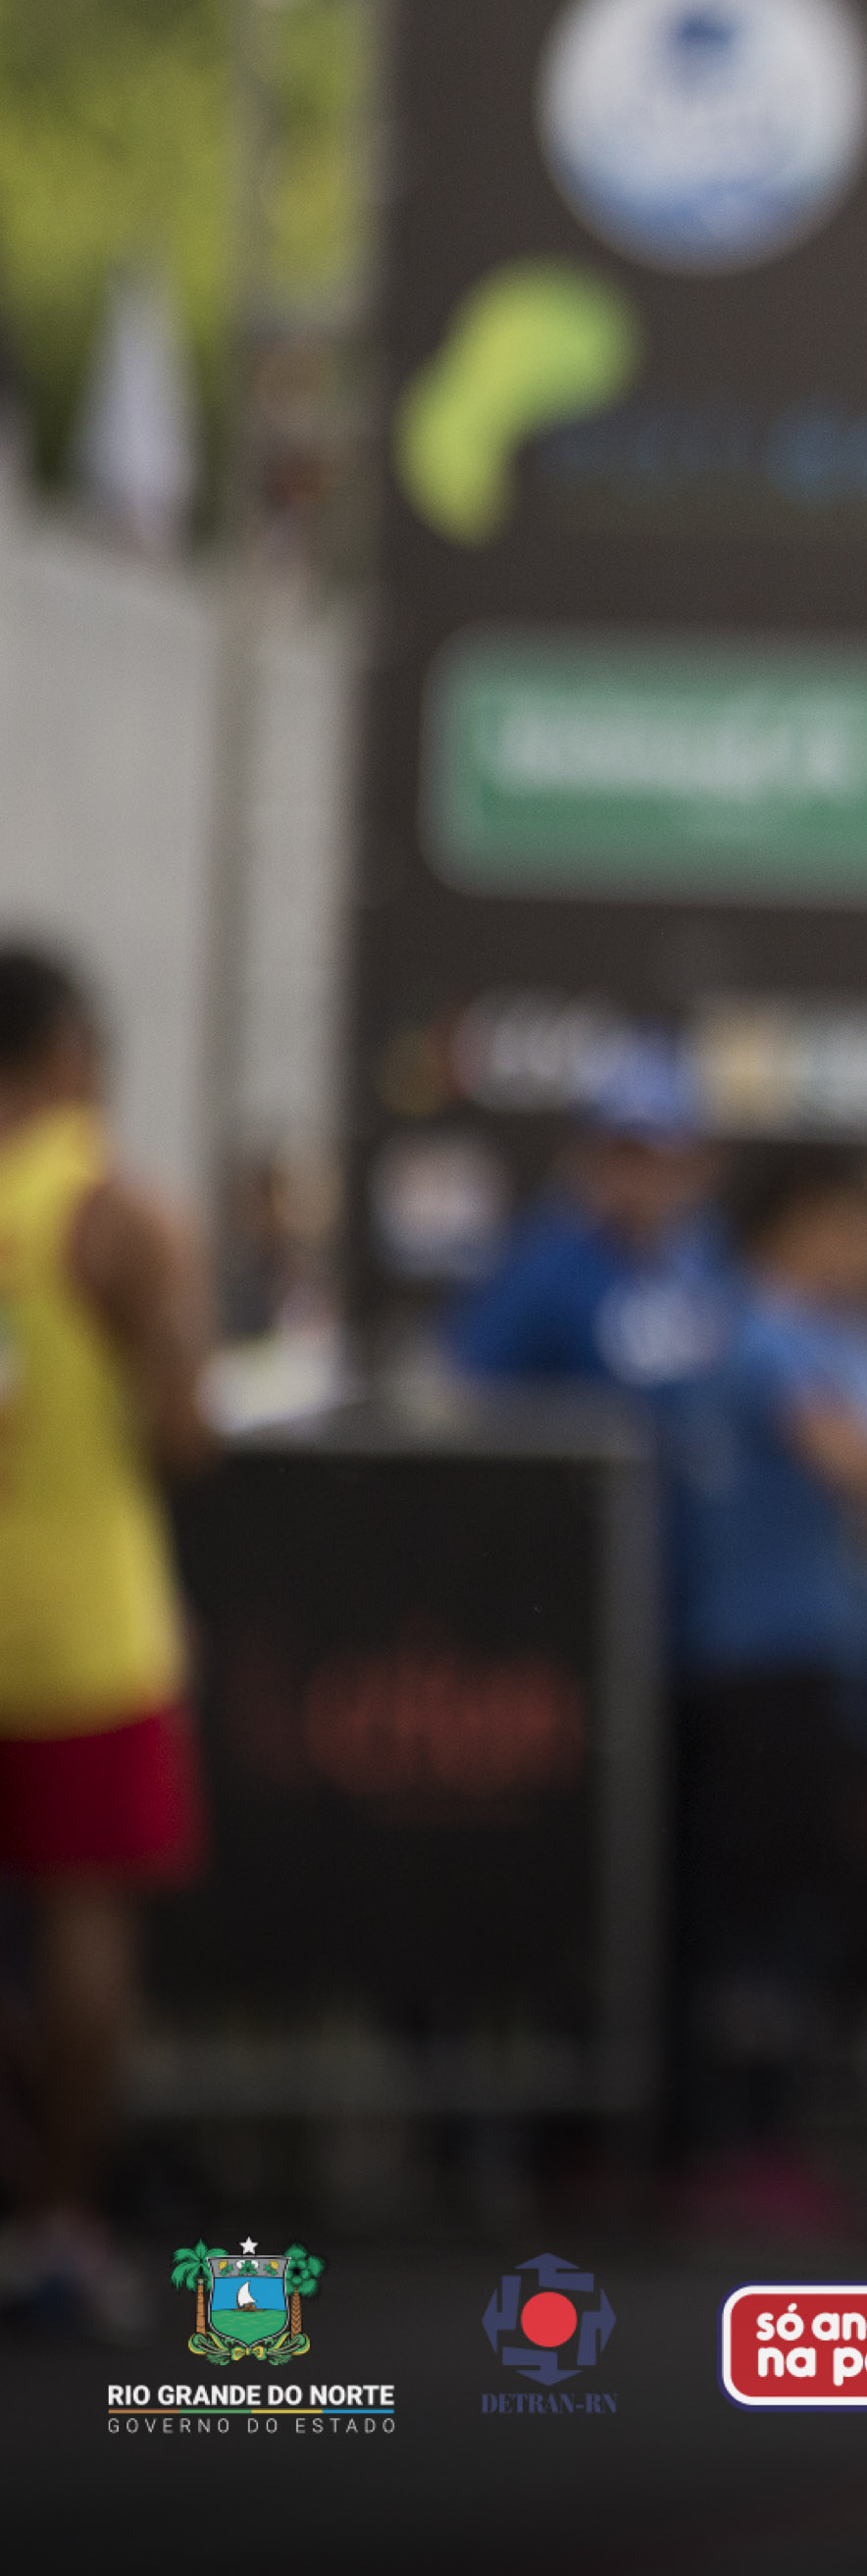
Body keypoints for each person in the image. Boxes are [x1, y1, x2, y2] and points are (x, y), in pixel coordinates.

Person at [656, 1148, 867, 2203]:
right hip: (764, 1670)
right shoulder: (767, 1337)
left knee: (805, 1905)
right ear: (803, 1224)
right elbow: (854, 1462)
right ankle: (737, 2147)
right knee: (764, 1913)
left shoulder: (818, 1338)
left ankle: (766, 2137)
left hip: (821, 1665)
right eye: (860, 1222)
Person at [0, 947, 215, 2337]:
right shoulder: (117, 1210)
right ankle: (60, 2225)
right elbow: (184, 1431)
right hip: (84, 1628)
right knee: (86, 1922)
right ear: (75, 1051)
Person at [437, 1038, 732, 1399]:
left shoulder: (704, 1248)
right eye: (623, 1155)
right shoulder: (543, 1267)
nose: (640, 1177)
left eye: (658, 1156)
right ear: (589, 1157)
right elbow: (471, 1385)